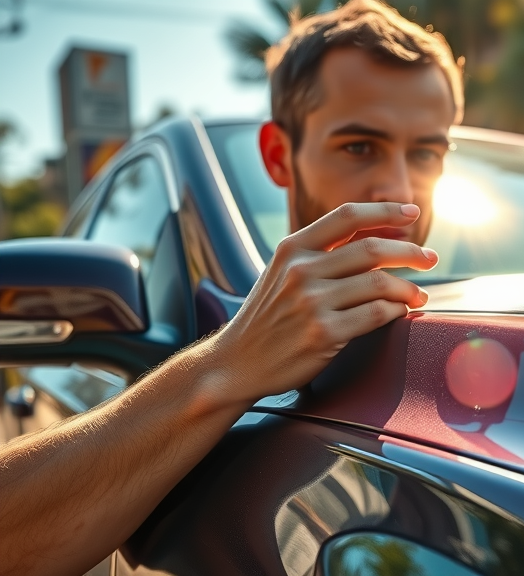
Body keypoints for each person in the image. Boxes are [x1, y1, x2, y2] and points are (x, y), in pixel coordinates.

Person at [0, 2, 463, 574]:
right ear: (277, 155)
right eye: (359, 147)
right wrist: (224, 364)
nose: (398, 187)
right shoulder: (230, 337)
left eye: (426, 152)